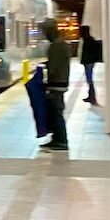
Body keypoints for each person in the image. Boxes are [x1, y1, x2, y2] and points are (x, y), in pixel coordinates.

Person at [42, 19, 70, 152]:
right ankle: (57, 138)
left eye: (45, 31)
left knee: (56, 113)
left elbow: (54, 68)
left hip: (56, 84)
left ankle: (61, 140)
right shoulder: (61, 43)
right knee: (55, 113)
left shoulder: (56, 46)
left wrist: (45, 76)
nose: (44, 34)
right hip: (61, 82)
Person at [80, 23, 103, 106]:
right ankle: (90, 96)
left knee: (89, 80)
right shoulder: (89, 39)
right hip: (88, 62)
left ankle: (92, 97)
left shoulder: (88, 40)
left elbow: (88, 53)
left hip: (88, 62)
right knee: (89, 80)